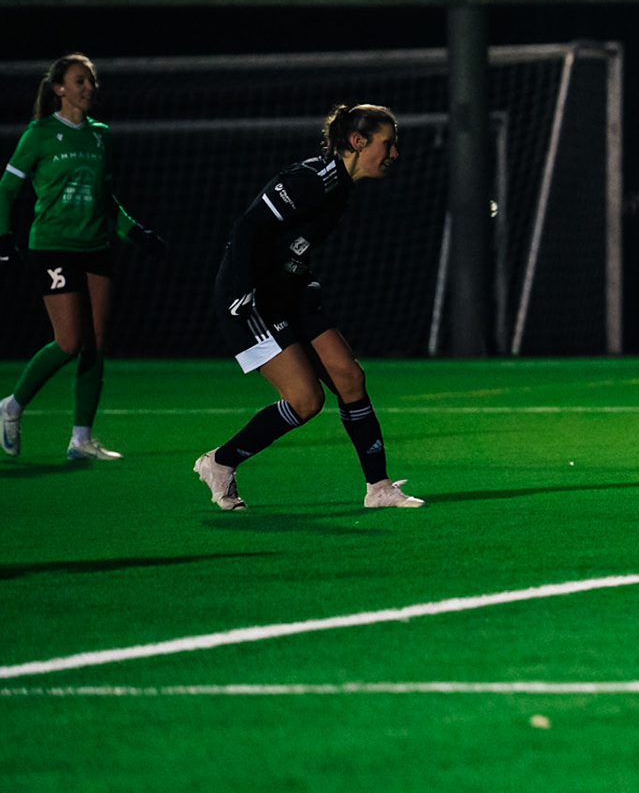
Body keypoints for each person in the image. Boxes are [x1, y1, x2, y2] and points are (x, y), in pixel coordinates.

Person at [192, 103, 424, 511]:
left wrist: (303, 277)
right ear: (357, 142)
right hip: (252, 296)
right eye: (387, 144)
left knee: (350, 377)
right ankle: (221, 462)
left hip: (290, 290)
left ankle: (379, 488)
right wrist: (244, 288)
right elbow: (248, 228)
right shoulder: (311, 180)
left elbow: (289, 243)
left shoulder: (340, 189)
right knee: (306, 400)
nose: (393, 154)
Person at [0, 54, 167, 461]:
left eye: (91, 80)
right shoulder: (39, 134)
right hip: (54, 246)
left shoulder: (100, 135)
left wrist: (136, 233)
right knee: (70, 341)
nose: (88, 87)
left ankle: (81, 440)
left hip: (96, 247)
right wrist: (4, 239)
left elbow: (105, 199)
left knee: (94, 343)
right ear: (59, 89)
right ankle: (11, 406)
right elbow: (5, 189)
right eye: (79, 81)